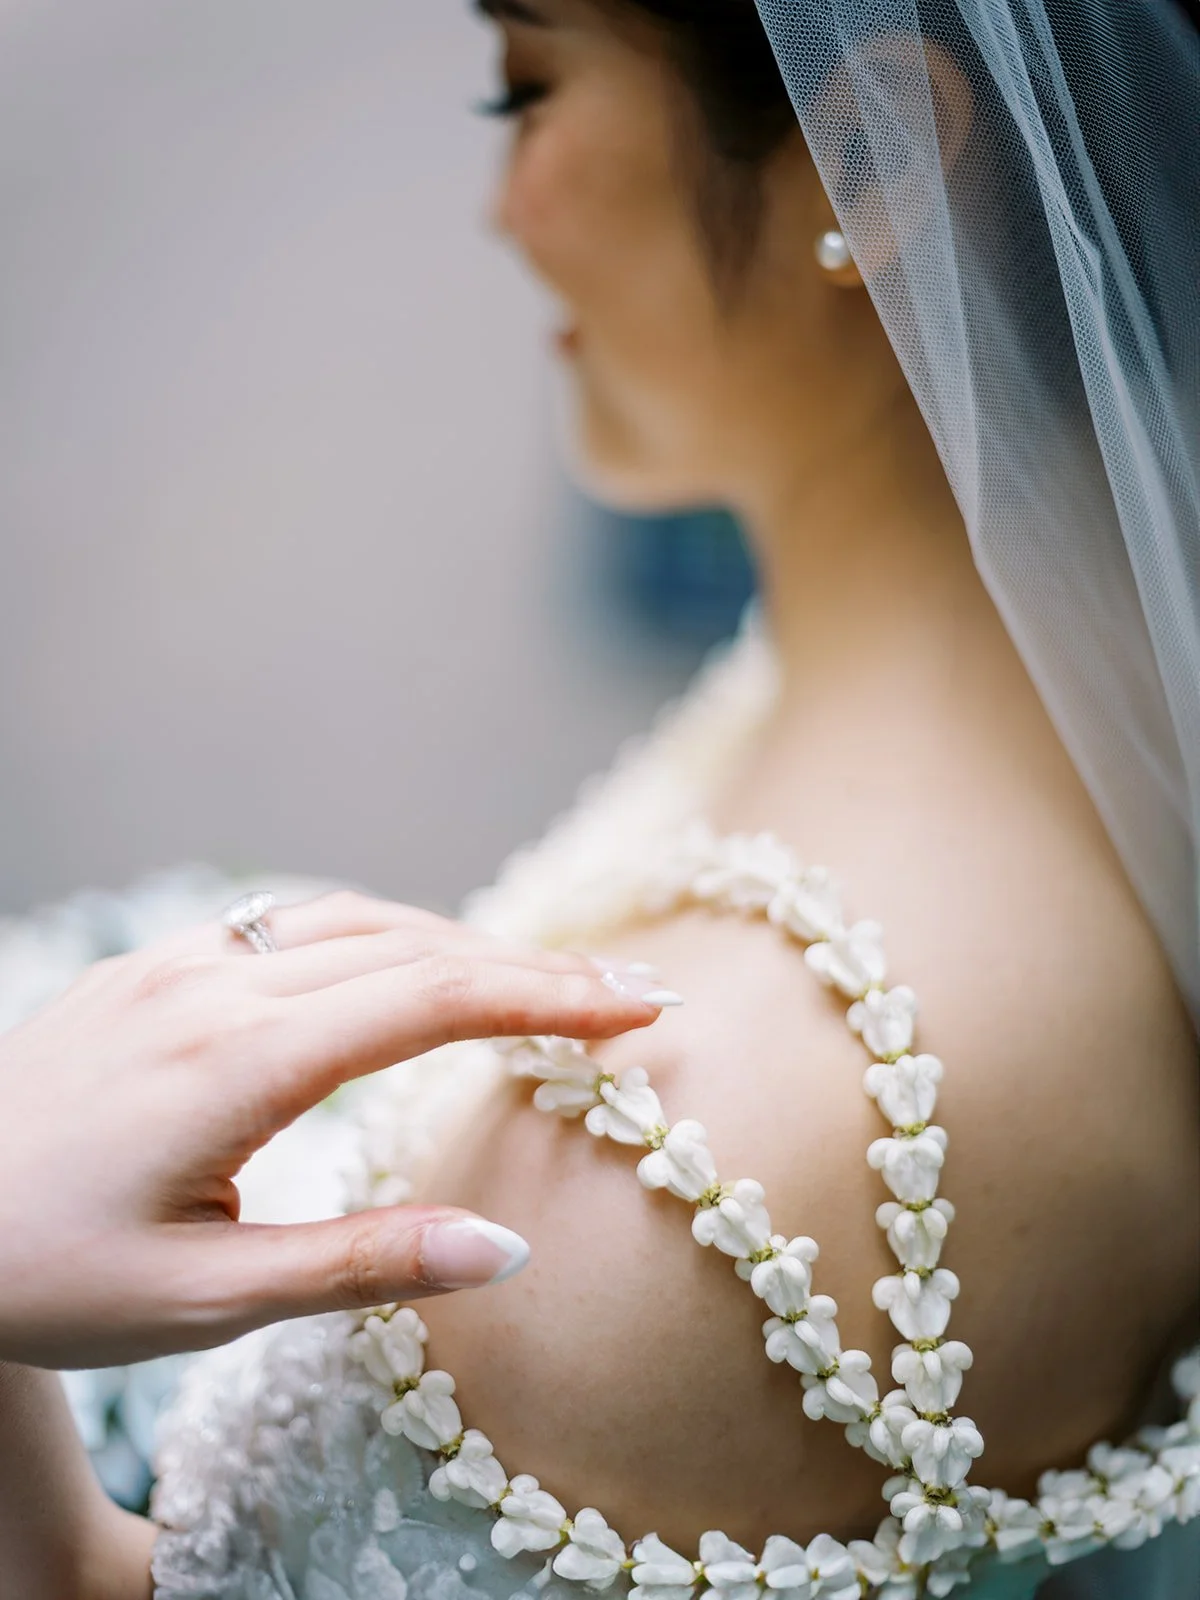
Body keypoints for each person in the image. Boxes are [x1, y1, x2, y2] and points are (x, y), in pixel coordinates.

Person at [4, 1, 1199, 1596]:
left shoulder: (686, 1197)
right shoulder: (1041, 668)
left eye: (525, 88)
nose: (498, 208)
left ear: (871, 154)